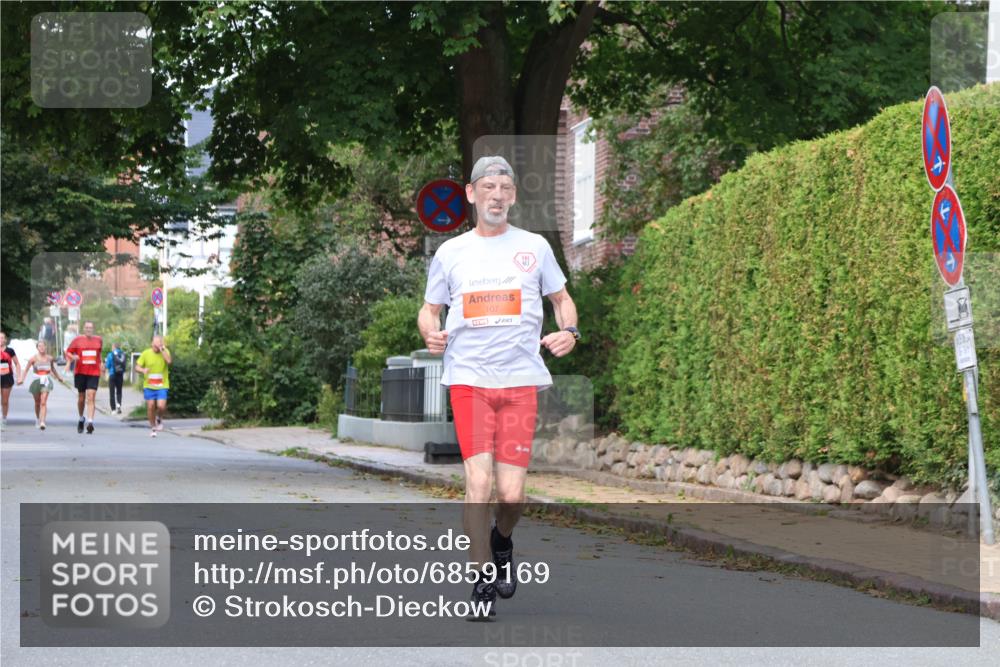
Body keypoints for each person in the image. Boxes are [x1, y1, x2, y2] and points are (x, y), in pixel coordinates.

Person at [417, 156, 579, 619]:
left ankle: (501, 541)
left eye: (505, 187)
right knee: (479, 482)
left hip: (519, 384)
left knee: (511, 496)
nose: (497, 195)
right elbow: (430, 309)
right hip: (469, 381)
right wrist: (430, 330)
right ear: (471, 194)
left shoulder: (533, 247)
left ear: (513, 196)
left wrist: (570, 331)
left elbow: (562, 301)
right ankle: (483, 581)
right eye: (487, 186)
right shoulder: (451, 253)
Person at [64, 321, 103, 434]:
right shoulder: (77, 340)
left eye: (90, 327)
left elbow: (99, 354)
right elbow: (68, 352)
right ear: (84, 329)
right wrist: (73, 357)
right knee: (81, 398)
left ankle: (90, 422)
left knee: (91, 396)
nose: (89, 329)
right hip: (80, 372)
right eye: (86, 327)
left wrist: (101, 365)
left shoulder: (98, 340)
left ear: (93, 329)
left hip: (94, 372)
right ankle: (81, 418)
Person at [20, 340, 63, 429]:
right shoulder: (33, 359)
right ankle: (37, 418)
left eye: (43, 346)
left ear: (46, 347)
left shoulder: (49, 358)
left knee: (43, 401)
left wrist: (59, 377)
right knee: (37, 402)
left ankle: (43, 422)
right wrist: (22, 379)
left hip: (46, 380)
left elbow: (53, 369)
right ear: (37, 348)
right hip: (36, 380)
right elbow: (26, 370)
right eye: (40, 346)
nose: (42, 348)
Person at [135, 335, 171, 438]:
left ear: (161, 344)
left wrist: (162, 350)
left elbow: (169, 361)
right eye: (155, 344)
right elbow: (137, 367)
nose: (156, 347)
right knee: (150, 406)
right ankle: (153, 426)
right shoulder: (146, 353)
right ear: (152, 344)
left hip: (162, 385)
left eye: (158, 344)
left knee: (161, 406)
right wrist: (143, 370)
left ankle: (159, 418)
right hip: (149, 385)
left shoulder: (165, 351)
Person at [1, 332, 23, 427]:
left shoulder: (10, 351)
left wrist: (19, 377)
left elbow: (17, 364)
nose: (0, 340)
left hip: (7, 377)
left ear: (5, 340)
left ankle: (4, 418)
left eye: (2, 338)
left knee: (5, 400)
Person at [105, 342, 127, 414]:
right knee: (119, 391)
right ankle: (119, 407)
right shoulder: (123, 354)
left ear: (114, 347)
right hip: (120, 375)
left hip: (112, 374)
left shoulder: (110, 354)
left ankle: (113, 409)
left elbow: (107, 366)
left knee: (112, 392)